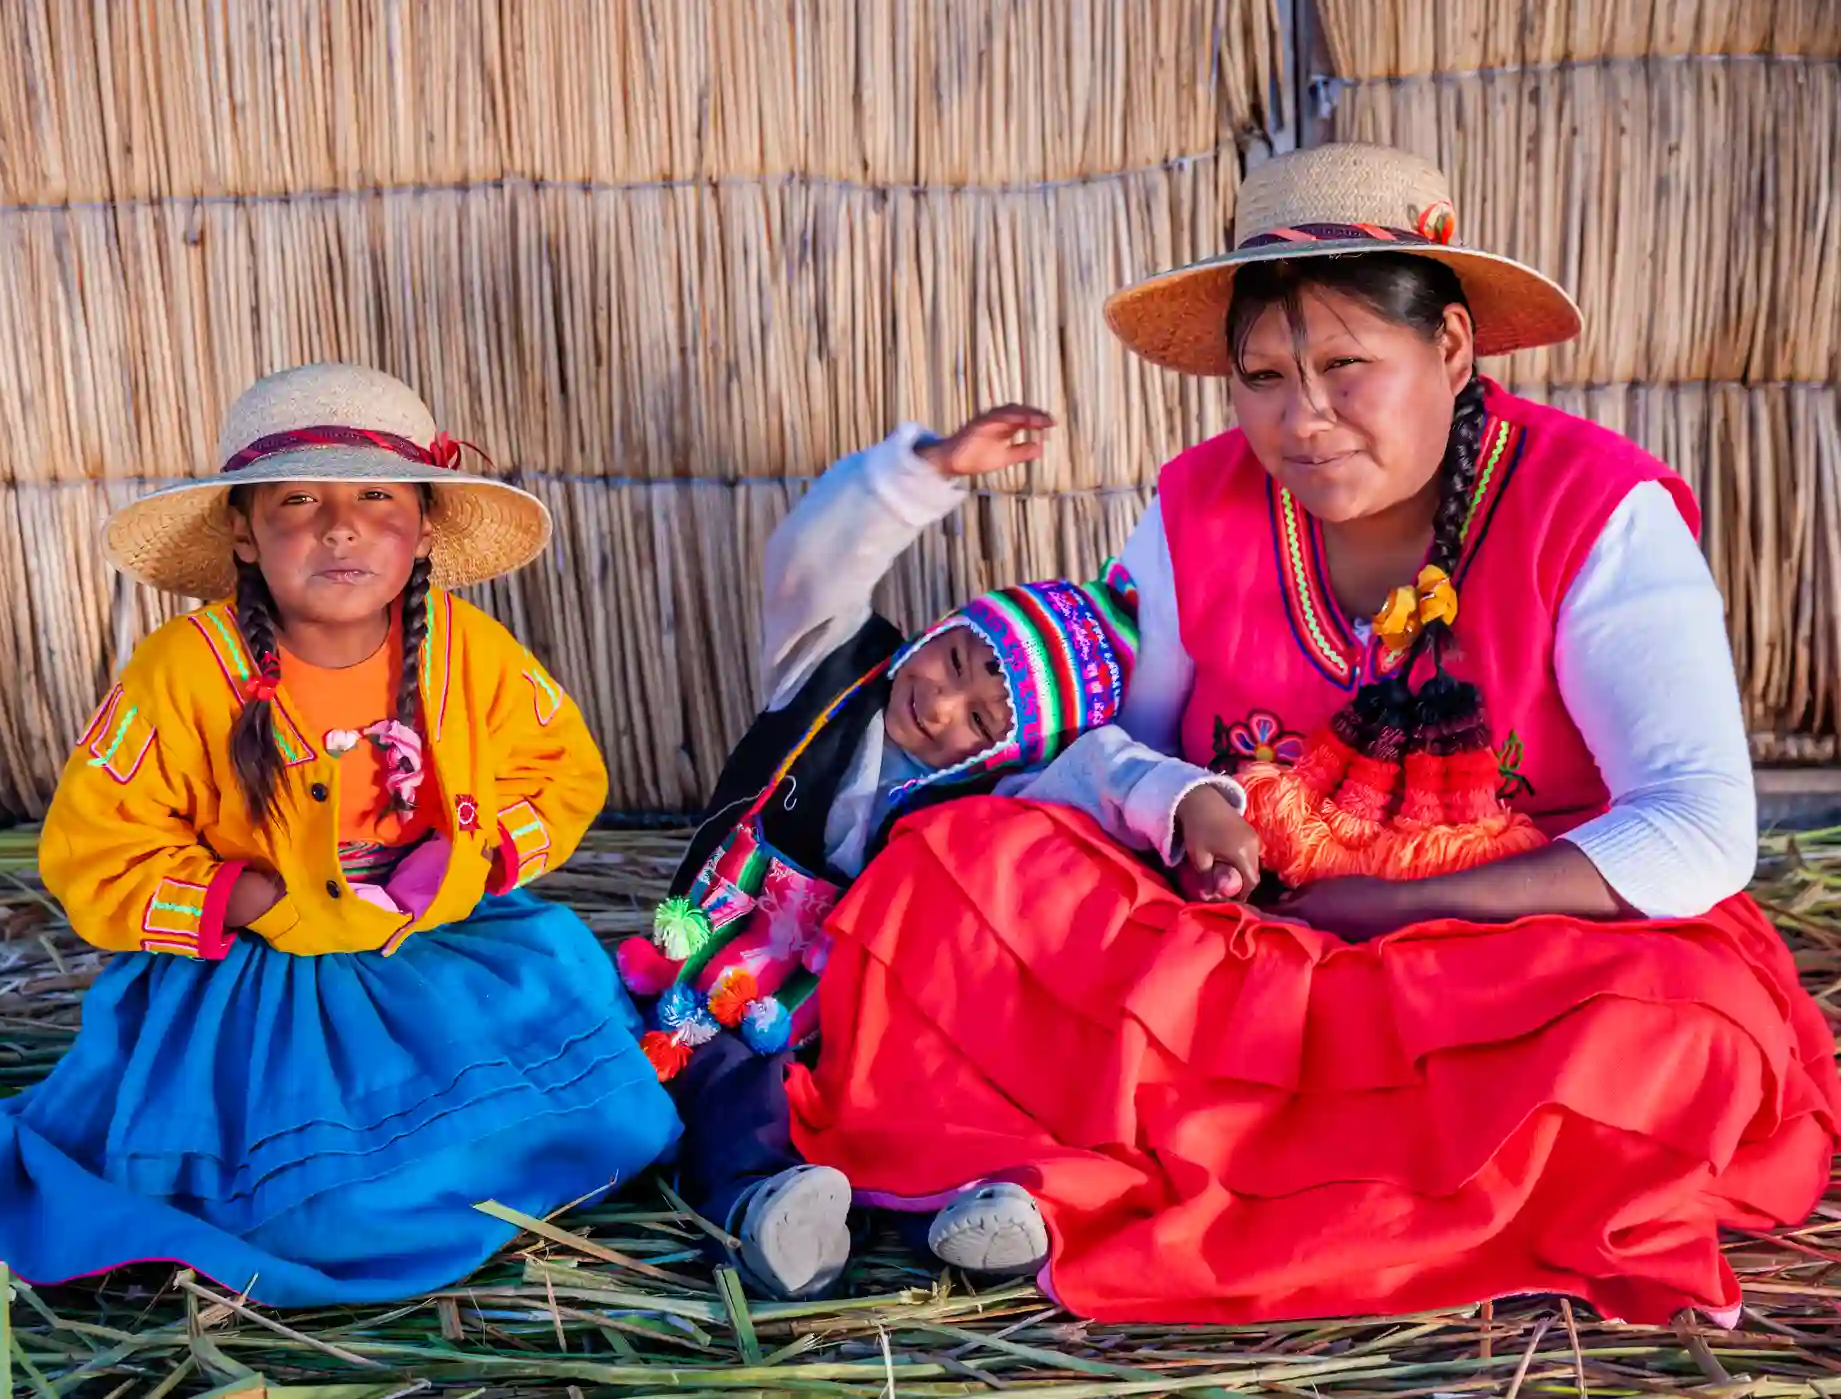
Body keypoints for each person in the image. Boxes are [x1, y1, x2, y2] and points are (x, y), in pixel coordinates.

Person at [788, 144, 1841, 1324]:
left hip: (1515, 955)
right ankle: (1282, 1166)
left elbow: (1700, 828)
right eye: (1264, 377)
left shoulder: (1593, 509)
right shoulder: (1198, 506)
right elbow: (1119, 752)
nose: (1303, 418)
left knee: (1679, 1032)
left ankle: (1144, 1165)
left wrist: (1392, 910)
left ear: (1449, 348)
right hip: (1248, 941)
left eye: (1347, 366)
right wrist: (1197, 824)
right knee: (964, 861)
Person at [0, 363, 680, 1306]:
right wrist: (255, 897)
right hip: (258, 982)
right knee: (310, 1212)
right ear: (242, 528)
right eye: (299, 498)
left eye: (376, 495)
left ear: (423, 524)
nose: (339, 525)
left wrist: (466, 857)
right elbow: (97, 843)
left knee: (624, 1113)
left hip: (431, 941)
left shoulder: (466, 653)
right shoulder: (183, 672)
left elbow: (558, 770)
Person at [620, 405, 1247, 1301]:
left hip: (842, 1017)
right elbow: (812, 555)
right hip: (699, 971)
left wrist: (1191, 801)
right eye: (954, 660)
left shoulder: (989, 798)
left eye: (983, 720)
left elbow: (1101, 766)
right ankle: (763, 1215)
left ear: (1008, 750)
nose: (942, 704)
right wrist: (926, 472)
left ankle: (975, 1211)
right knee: (735, 1089)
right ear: (942, 627)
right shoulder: (828, 673)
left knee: (907, 1101)